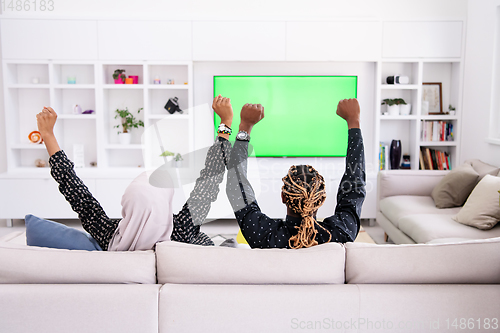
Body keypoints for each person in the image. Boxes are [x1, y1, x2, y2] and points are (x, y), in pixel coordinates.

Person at [35, 95, 234, 251]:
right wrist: (226, 121)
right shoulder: (181, 231)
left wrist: (48, 135)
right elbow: (209, 181)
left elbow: (75, 191)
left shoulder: (110, 236)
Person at [226, 98, 366, 249]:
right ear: (321, 199)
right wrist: (354, 122)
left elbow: (236, 183)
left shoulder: (263, 234)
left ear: (283, 197)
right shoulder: (340, 234)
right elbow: (354, 186)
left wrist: (245, 126)